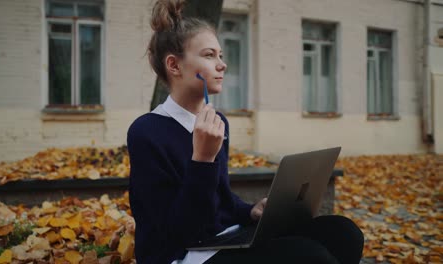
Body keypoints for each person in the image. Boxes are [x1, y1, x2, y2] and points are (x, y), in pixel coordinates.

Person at [126, 0, 364, 263]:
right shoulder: (146, 132)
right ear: (174, 65)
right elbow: (180, 232)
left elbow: (222, 200)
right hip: (182, 254)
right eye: (208, 55)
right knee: (310, 257)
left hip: (222, 238)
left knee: (344, 233)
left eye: (221, 55)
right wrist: (202, 159)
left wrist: (250, 211)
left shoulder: (218, 123)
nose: (221, 64)